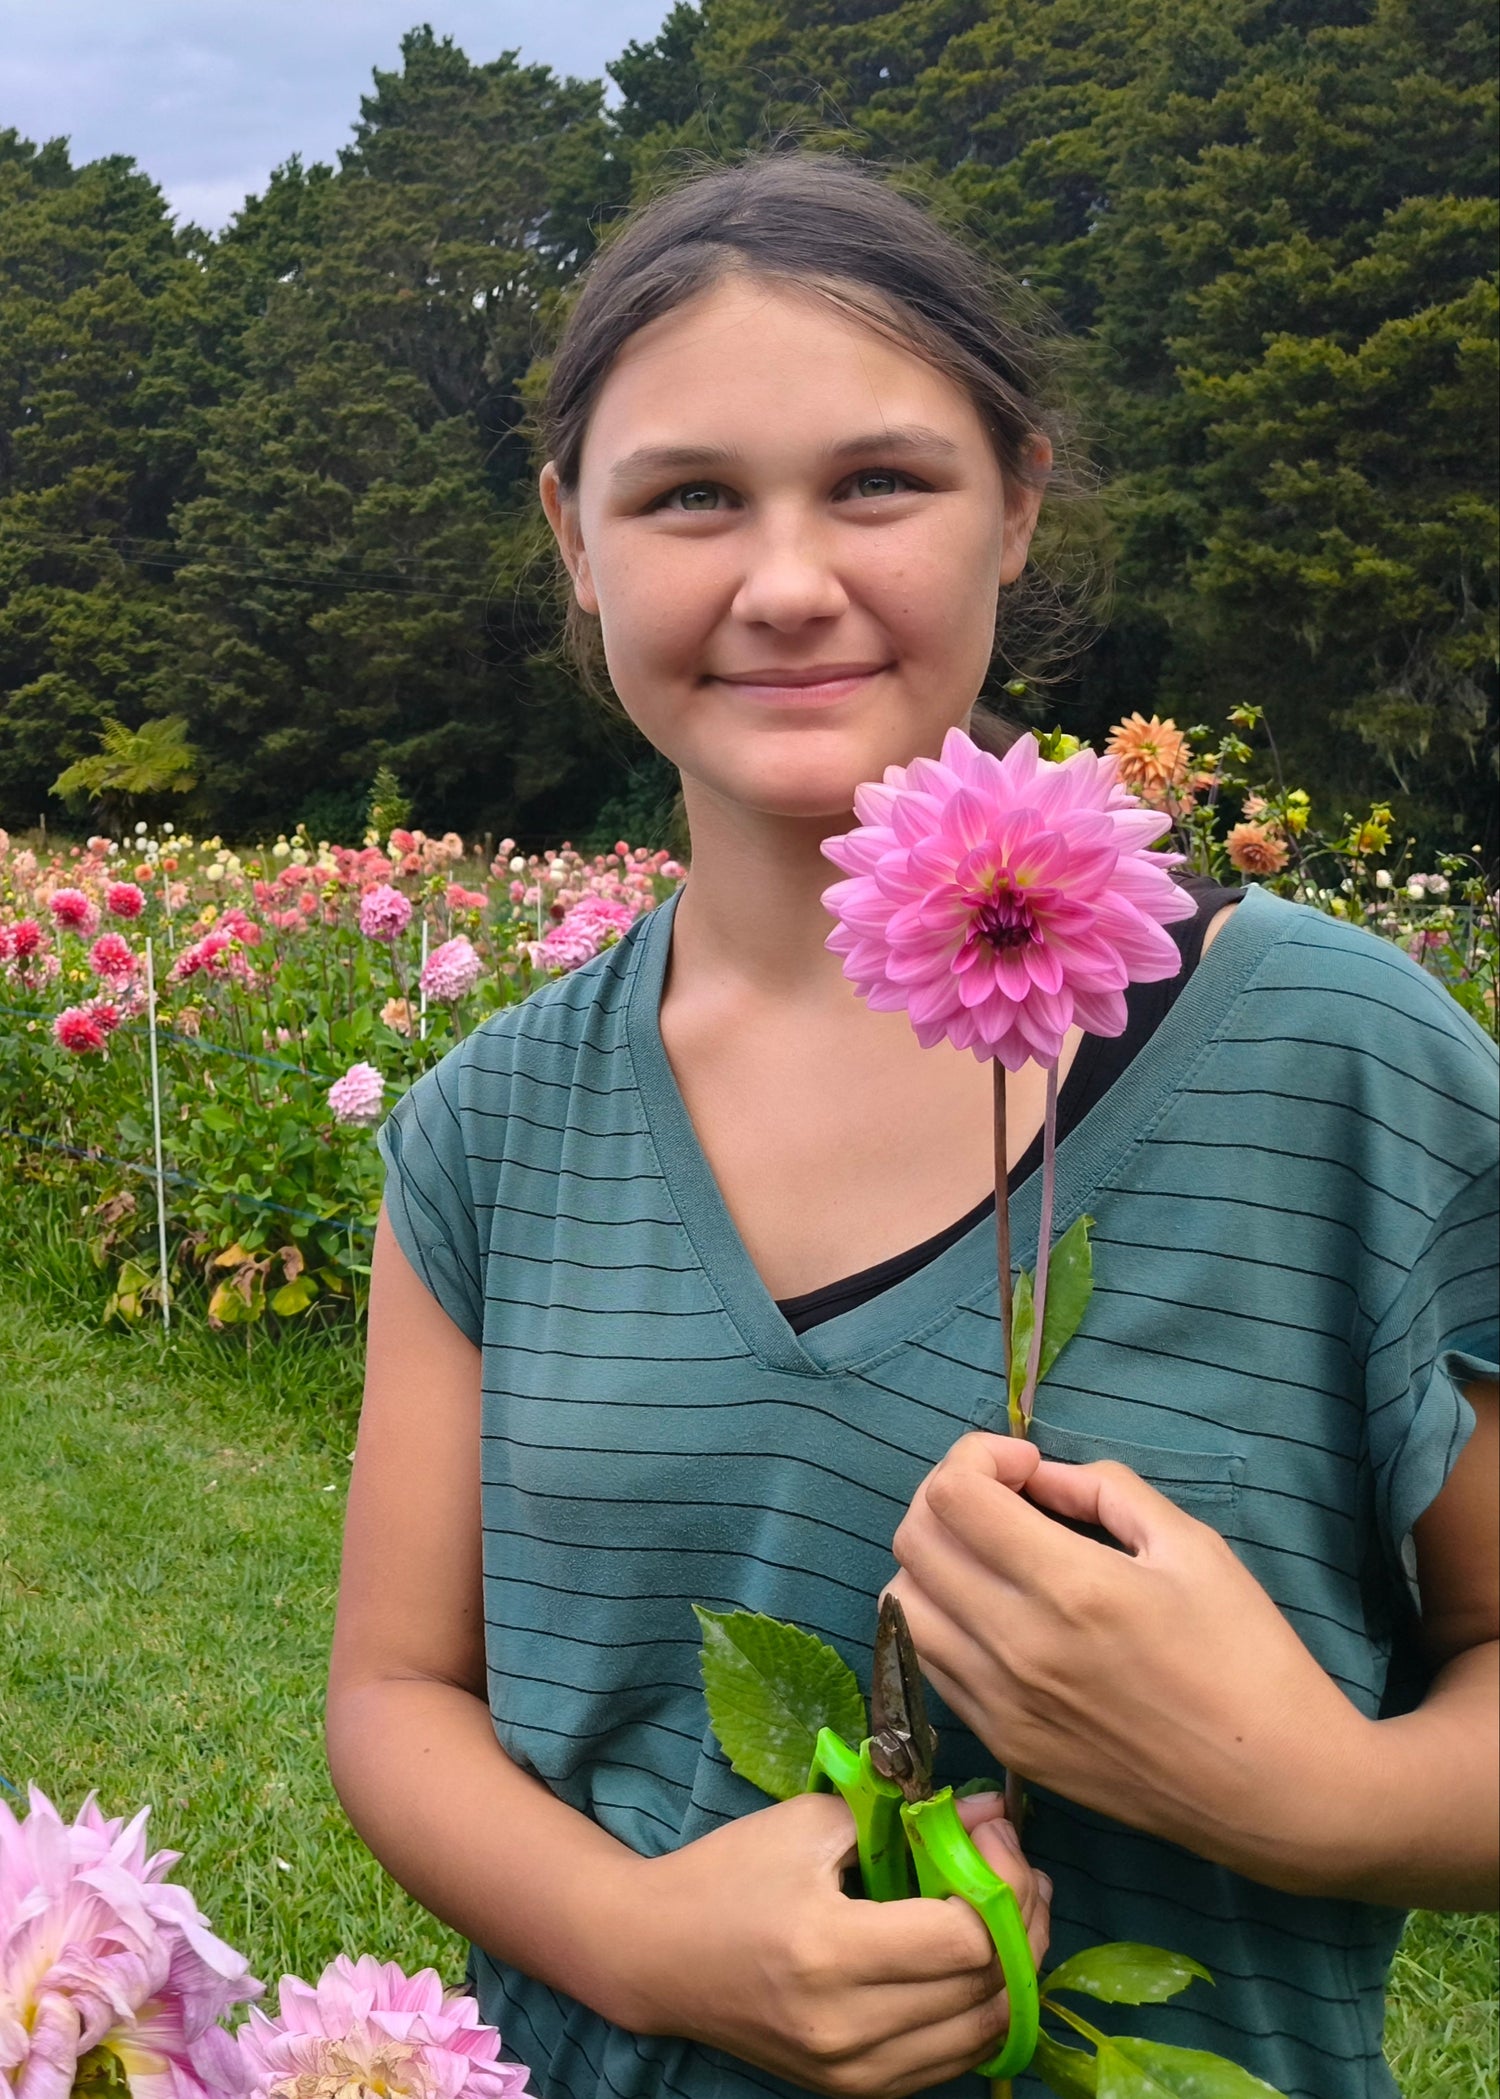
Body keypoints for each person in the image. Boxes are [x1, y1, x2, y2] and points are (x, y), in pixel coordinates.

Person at [326, 154, 1499, 2099]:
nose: (788, 583)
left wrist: (1320, 1795)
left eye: (880, 482)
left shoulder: (1332, 1058)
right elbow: (395, 1695)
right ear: (573, 537)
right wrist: (647, 1942)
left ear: (1020, 501)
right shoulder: (487, 1131)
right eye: (689, 494)